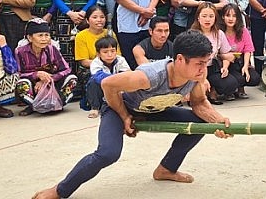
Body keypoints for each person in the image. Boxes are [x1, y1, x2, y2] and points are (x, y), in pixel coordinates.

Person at [31, 30, 233, 199]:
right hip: (119, 107)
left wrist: (217, 121)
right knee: (108, 153)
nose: (203, 68)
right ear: (180, 59)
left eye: (206, 63)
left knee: (199, 125)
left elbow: (198, 103)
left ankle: (166, 169)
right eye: (199, 63)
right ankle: (60, 190)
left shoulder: (198, 74)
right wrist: (124, 115)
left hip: (153, 109)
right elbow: (107, 84)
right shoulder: (148, 76)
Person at [15, 18, 78, 116]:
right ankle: (33, 106)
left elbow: (66, 69)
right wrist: (36, 75)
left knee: (72, 79)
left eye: (47, 35)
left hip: (52, 84)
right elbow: (17, 74)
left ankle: (57, 103)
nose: (44, 39)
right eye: (40, 35)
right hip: (33, 86)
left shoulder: (52, 49)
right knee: (22, 84)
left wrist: (49, 79)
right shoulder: (20, 51)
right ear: (30, 38)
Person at [190, 2, 236, 103]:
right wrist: (202, 78)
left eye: (211, 16)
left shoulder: (219, 33)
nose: (207, 19)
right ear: (198, 17)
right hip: (195, 70)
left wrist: (225, 67)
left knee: (231, 84)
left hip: (212, 67)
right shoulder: (192, 34)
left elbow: (227, 54)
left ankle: (213, 89)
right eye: (204, 16)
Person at [75, 6, 117, 110]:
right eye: (95, 17)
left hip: (111, 64)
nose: (99, 20)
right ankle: (95, 105)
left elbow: (117, 55)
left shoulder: (110, 33)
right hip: (90, 68)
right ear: (87, 20)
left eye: (102, 17)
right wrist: (102, 64)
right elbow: (84, 61)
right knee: (95, 79)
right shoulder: (81, 36)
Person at [222, 3, 261, 99]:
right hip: (224, 62)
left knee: (254, 78)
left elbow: (248, 50)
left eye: (234, 16)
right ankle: (229, 91)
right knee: (236, 79)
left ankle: (240, 89)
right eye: (228, 15)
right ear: (223, 17)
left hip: (240, 61)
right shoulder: (220, 31)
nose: (231, 19)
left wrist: (246, 66)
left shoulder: (243, 30)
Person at [87, 35, 130, 119]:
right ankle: (95, 108)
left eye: (113, 51)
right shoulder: (95, 63)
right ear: (98, 54)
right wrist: (115, 79)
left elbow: (126, 74)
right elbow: (99, 77)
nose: (110, 55)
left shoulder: (121, 60)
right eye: (105, 52)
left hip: (118, 87)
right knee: (92, 82)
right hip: (102, 86)